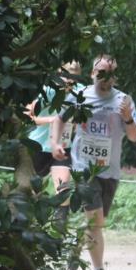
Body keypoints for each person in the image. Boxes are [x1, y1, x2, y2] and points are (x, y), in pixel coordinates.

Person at [51, 54, 136, 270]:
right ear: (92, 73)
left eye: (110, 73)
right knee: (95, 220)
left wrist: (128, 118)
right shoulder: (79, 97)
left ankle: (76, 248)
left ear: (115, 76)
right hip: (83, 169)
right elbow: (59, 119)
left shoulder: (123, 101)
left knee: (96, 223)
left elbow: (134, 137)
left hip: (109, 172)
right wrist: (56, 142)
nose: (105, 78)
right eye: (100, 72)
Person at [24, 60, 83, 194]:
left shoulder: (81, 91)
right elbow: (27, 116)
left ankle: (60, 214)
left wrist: (76, 124)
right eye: (66, 76)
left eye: (74, 78)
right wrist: (51, 120)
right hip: (39, 146)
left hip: (63, 147)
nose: (69, 81)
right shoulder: (48, 91)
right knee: (32, 192)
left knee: (63, 189)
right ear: (59, 74)